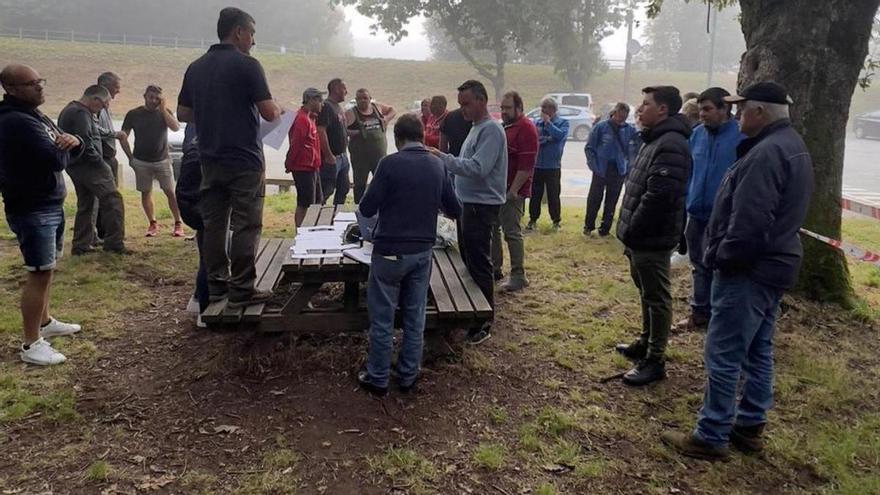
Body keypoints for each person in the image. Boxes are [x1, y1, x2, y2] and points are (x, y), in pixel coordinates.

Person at [662, 82, 813, 461]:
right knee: (758, 348)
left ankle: (711, 433)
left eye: (741, 109)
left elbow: (749, 222)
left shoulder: (766, 154)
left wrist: (720, 258)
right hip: (773, 265)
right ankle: (749, 425)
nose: (736, 115)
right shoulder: (790, 146)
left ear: (760, 113)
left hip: (748, 270)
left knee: (724, 351)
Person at [177, 6, 282, 309]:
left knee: (214, 225)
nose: (253, 41)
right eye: (251, 33)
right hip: (244, 160)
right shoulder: (247, 65)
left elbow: (183, 112)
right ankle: (242, 289)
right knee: (246, 225)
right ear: (238, 32)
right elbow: (269, 112)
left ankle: (217, 287)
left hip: (209, 158)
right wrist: (278, 108)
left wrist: (213, 112)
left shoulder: (196, 66)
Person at [356, 113, 461, 396]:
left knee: (382, 317)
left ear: (397, 138)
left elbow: (366, 208)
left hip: (389, 251)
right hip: (422, 251)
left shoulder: (388, 164)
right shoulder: (437, 166)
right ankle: (408, 375)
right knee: (415, 317)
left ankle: (377, 377)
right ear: (421, 137)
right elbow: (454, 208)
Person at [0, 64, 84, 365]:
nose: (39, 87)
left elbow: (66, 142)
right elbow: (55, 158)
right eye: (31, 83)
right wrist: (65, 146)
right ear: (10, 88)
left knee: (47, 267)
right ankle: (31, 343)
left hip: (48, 202)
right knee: (38, 272)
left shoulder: (34, 115)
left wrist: (74, 142)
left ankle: (45, 323)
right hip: (32, 207)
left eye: (40, 81)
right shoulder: (16, 121)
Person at [614, 86, 691, 386]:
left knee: (657, 297)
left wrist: (633, 229)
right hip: (639, 237)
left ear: (663, 110)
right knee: (647, 293)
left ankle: (654, 359)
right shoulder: (654, 138)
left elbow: (659, 196)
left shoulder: (671, 143)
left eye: (646, 104)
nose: (639, 108)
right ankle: (645, 342)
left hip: (651, 237)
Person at [434, 80, 507, 345]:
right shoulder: (476, 128)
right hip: (468, 202)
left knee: (478, 261)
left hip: (481, 205)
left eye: (466, 103)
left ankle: (484, 319)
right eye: (461, 104)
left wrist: (442, 158)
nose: (462, 109)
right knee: (467, 258)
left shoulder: (491, 131)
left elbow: (478, 168)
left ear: (481, 101)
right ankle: (471, 309)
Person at [676, 87, 741, 331]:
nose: (702, 114)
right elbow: (690, 172)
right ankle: (699, 312)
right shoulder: (697, 135)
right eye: (700, 109)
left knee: (719, 268)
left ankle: (720, 317)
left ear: (725, 109)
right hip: (696, 214)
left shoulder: (740, 137)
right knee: (698, 265)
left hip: (723, 217)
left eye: (708, 109)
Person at [58, 85, 128, 255]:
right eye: (103, 103)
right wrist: (100, 163)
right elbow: (86, 141)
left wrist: (113, 134)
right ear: (95, 99)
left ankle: (81, 245)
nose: (104, 107)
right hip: (90, 166)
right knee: (113, 201)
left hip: (75, 165)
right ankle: (114, 243)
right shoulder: (81, 113)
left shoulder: (70, 109)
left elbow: (95, 132)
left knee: (87, 204)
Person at [121, 84, 185, 237]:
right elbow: (123, 136)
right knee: (146, 191)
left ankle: (178, 223)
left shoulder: (164, 113)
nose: (154, 101)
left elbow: (175, 128)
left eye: (157, 98)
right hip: (141, 161)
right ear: (145, 96)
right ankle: (153, 223)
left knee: (170, 191)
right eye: (151, 97)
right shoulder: (133, 114)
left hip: (162, 159)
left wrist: (163, 109)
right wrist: (130, 158)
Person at [492, 90, 538, 291]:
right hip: (497, 190)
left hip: (512, 192)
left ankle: (518, 275)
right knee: (494, 229)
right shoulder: (507, 127)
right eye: (502, 108)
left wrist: (513, 191)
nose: (503, 111)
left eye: (507, 108)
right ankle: (494, 268)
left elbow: (527, 166)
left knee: (511, 232)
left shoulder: (526, 128)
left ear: (519, 108)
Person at [583, 102, 637, 237]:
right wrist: (594, 166)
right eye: (619, 116)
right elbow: (589, 148)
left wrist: (628, 166)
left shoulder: (629, 130)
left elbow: (634, 148)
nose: (621, 119)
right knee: (594, 198)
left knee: (612, 200)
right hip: (601, 168)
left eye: (624, 117)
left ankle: (605, 228)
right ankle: (588, 226)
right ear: (615, 113)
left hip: (618, 169)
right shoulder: (601, 127)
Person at [174, 123, 208, 327]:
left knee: (208, 252)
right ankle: (205, 309)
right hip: (199, 205)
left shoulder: (199, 139)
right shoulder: (202, 150)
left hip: (195, 204)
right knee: (212, 256)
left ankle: (198, 298)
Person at [95, 72, 129, 241]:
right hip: (102, 158)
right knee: (107, 199)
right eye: (116, 87)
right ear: (104, 86)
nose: (118, 91)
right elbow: (94, 130)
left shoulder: (105, 106)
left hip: (109, 158)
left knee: (108, 198)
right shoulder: (96, 106)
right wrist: (114, 134)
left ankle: (104, 232)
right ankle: (104, 234)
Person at [345, 88, 395, 203]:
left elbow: (393, 110)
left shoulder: (377, 108)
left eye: (365, 98)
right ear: (356, 100)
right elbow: (341, 130)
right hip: (360, 159)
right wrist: (355, 133)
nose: (363, 101)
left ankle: (382, 209)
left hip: (379, 157)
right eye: (359, 98)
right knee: (360, 187)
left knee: (382, 183)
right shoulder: (351, 113)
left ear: (370, 99)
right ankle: (359, 210)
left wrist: (386, 119)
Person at [527, 98, 569, 232]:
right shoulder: (536, 123)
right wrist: (547, 139)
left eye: (546, 108)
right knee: (535, 195)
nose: (543, 111)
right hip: (538, 165)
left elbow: (559, 136)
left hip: (553, 166)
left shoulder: (563, 123)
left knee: (553, 195)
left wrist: (549, 124)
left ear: (553, 109)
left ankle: (556, 220)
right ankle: (533, 219)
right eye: (542, 108)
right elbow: (534, 140)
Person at [286, 88, 325, 227]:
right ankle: (300, 233)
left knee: (316, 201)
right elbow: (296, 144)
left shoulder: (310, 118)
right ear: (311, 100)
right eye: (320, 100)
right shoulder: (301, 119)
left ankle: (311, 230)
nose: (322, 104)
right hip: (303, 167)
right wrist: (289, 163)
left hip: (312, 166)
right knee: (304, 203)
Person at [317, 78, 350, 205]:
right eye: (344, 88)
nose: (346, 92)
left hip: (342, 156)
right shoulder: (326, 107)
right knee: (326, 189)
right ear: (336, 89)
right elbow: (321, 131)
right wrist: (328, 155)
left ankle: (337, 217)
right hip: (331, 158)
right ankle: (316, 217)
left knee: (343, 188)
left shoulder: (338, 107)